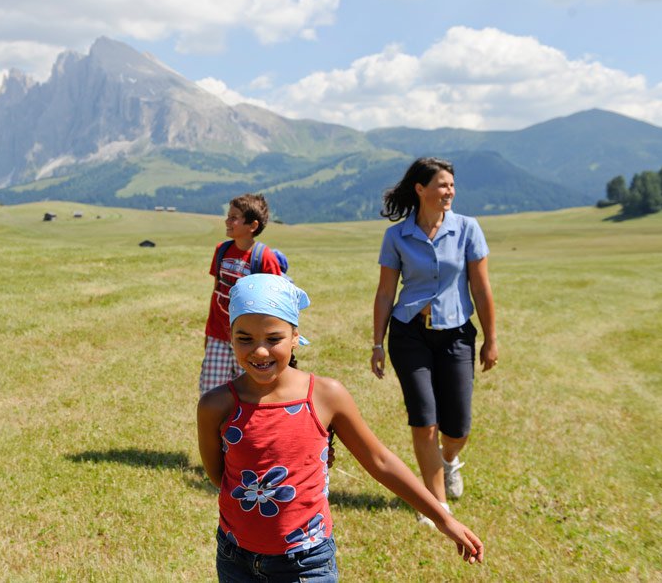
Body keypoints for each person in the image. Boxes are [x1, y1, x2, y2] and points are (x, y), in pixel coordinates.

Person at [197, 274, 484, 581]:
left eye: (273, 338)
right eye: (245, 338)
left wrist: (443, 518)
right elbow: (221, 475)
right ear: (230, 336)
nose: (260, 351)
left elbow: (380, 460)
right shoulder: (216, 405)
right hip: (235, 557)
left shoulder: (324, 396)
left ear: (295, 335)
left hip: (306, 562)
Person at [370, 157, 498, 525]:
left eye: (452, 186)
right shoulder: (397, 235)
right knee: (423, 419)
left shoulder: (468, 229)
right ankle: (437, 504)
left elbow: (481, 287)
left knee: (457, 427)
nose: (450, 192)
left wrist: (491, 339)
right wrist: (378, 343)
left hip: (457, 334)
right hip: (409, 333)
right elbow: (384, 292)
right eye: (442, 185)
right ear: (420, 189)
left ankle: (448, 459)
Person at [201, 193, 283, 394]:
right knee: (212, 392)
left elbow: (276, 302)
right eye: (228, 216)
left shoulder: (264, 257)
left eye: (234, 217)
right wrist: (209, 334)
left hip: (250, 340)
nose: (227, 221)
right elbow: (216, 292)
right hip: (218, 336)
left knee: (249, 391)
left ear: (252, 226)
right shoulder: (222, 250)